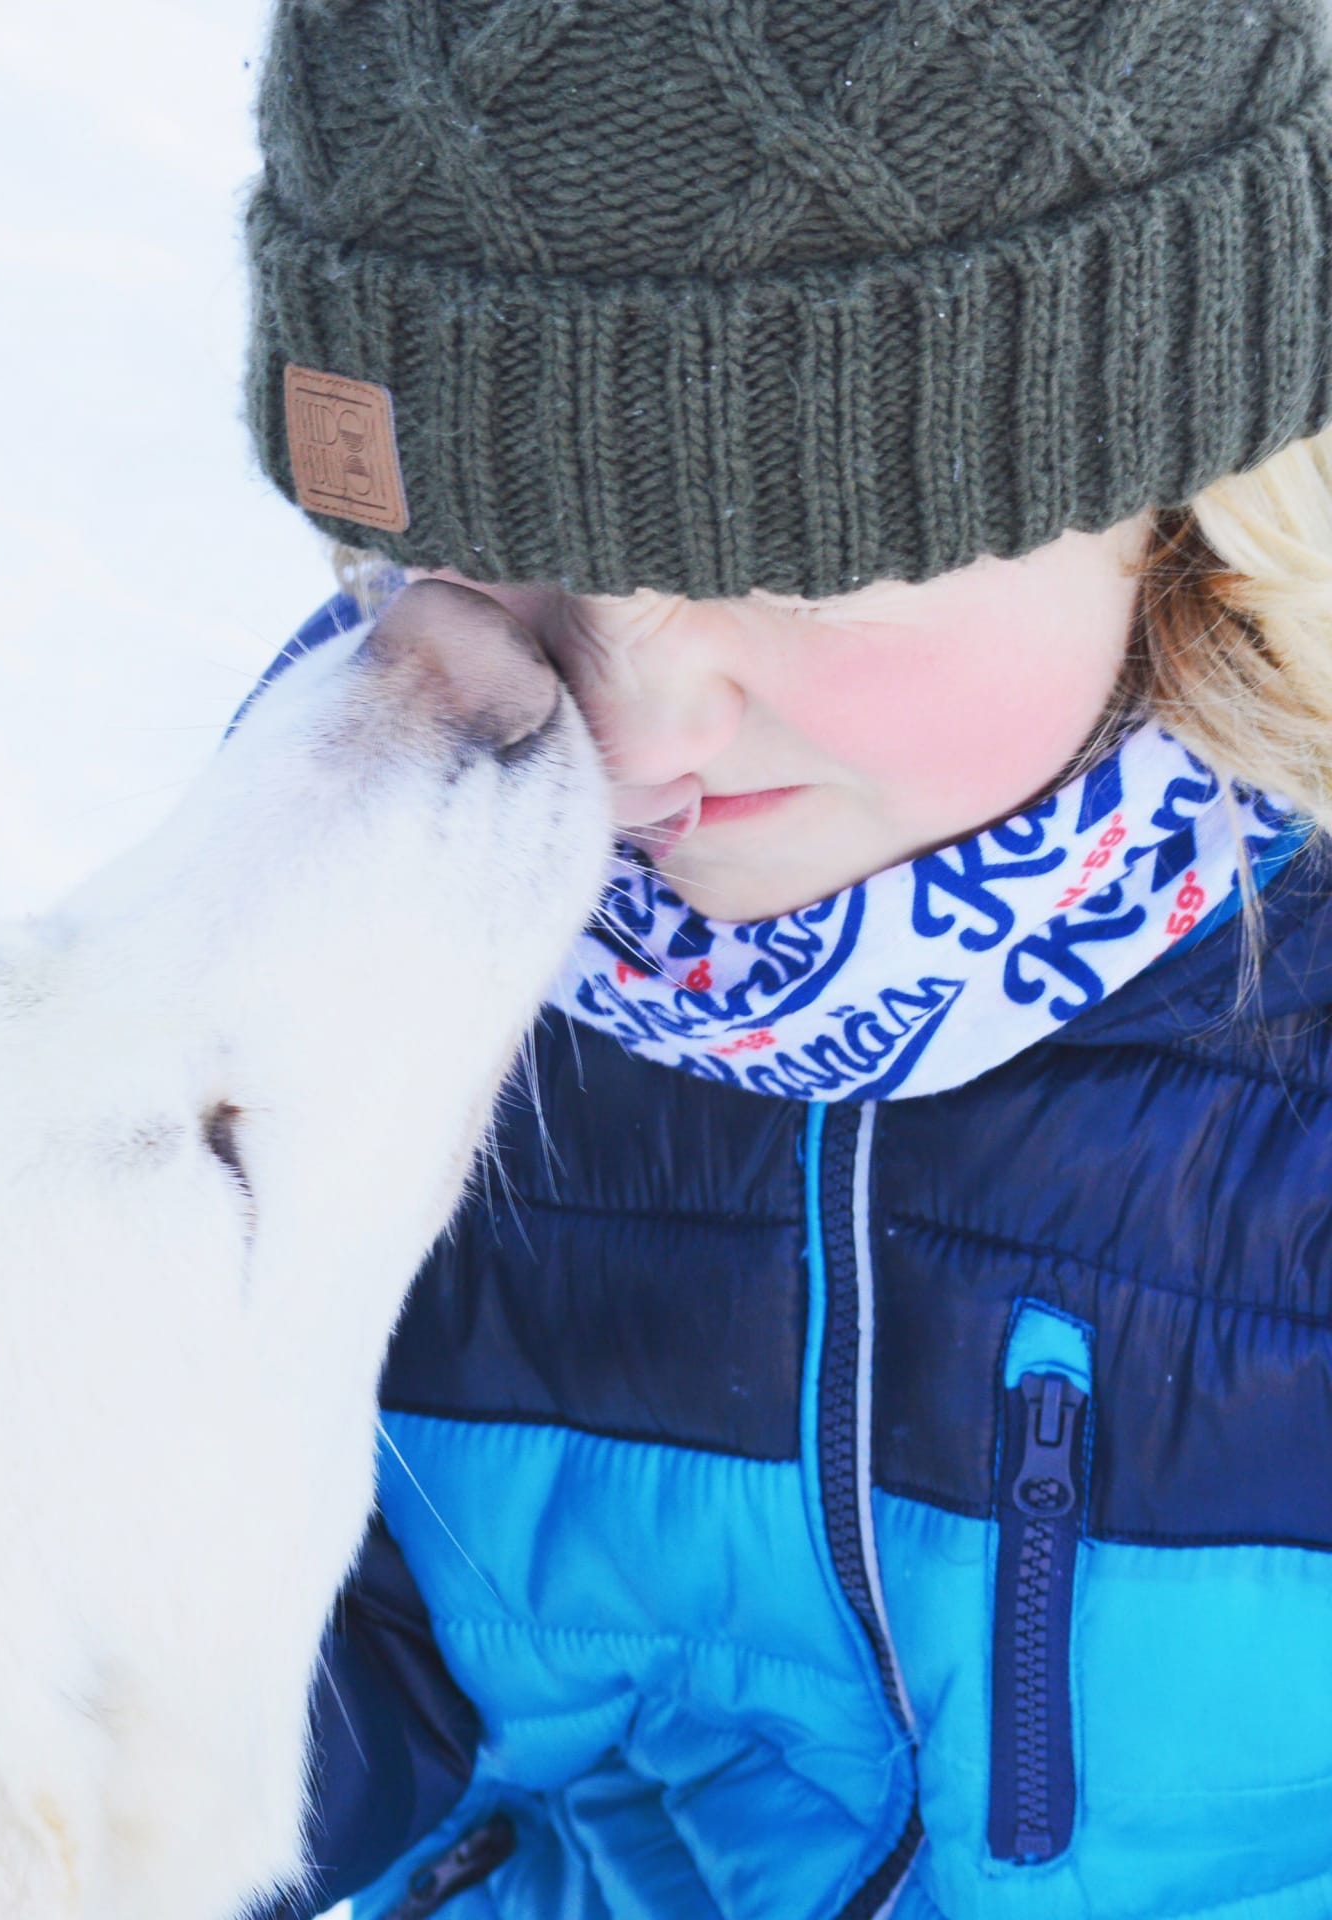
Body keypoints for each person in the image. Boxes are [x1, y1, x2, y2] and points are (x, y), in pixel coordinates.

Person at [240, 2, 1332, 1916]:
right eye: (505, 562)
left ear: (1183, 482)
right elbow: (275, 1643)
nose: (643, 722)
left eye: (801, 559)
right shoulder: (404, 899)